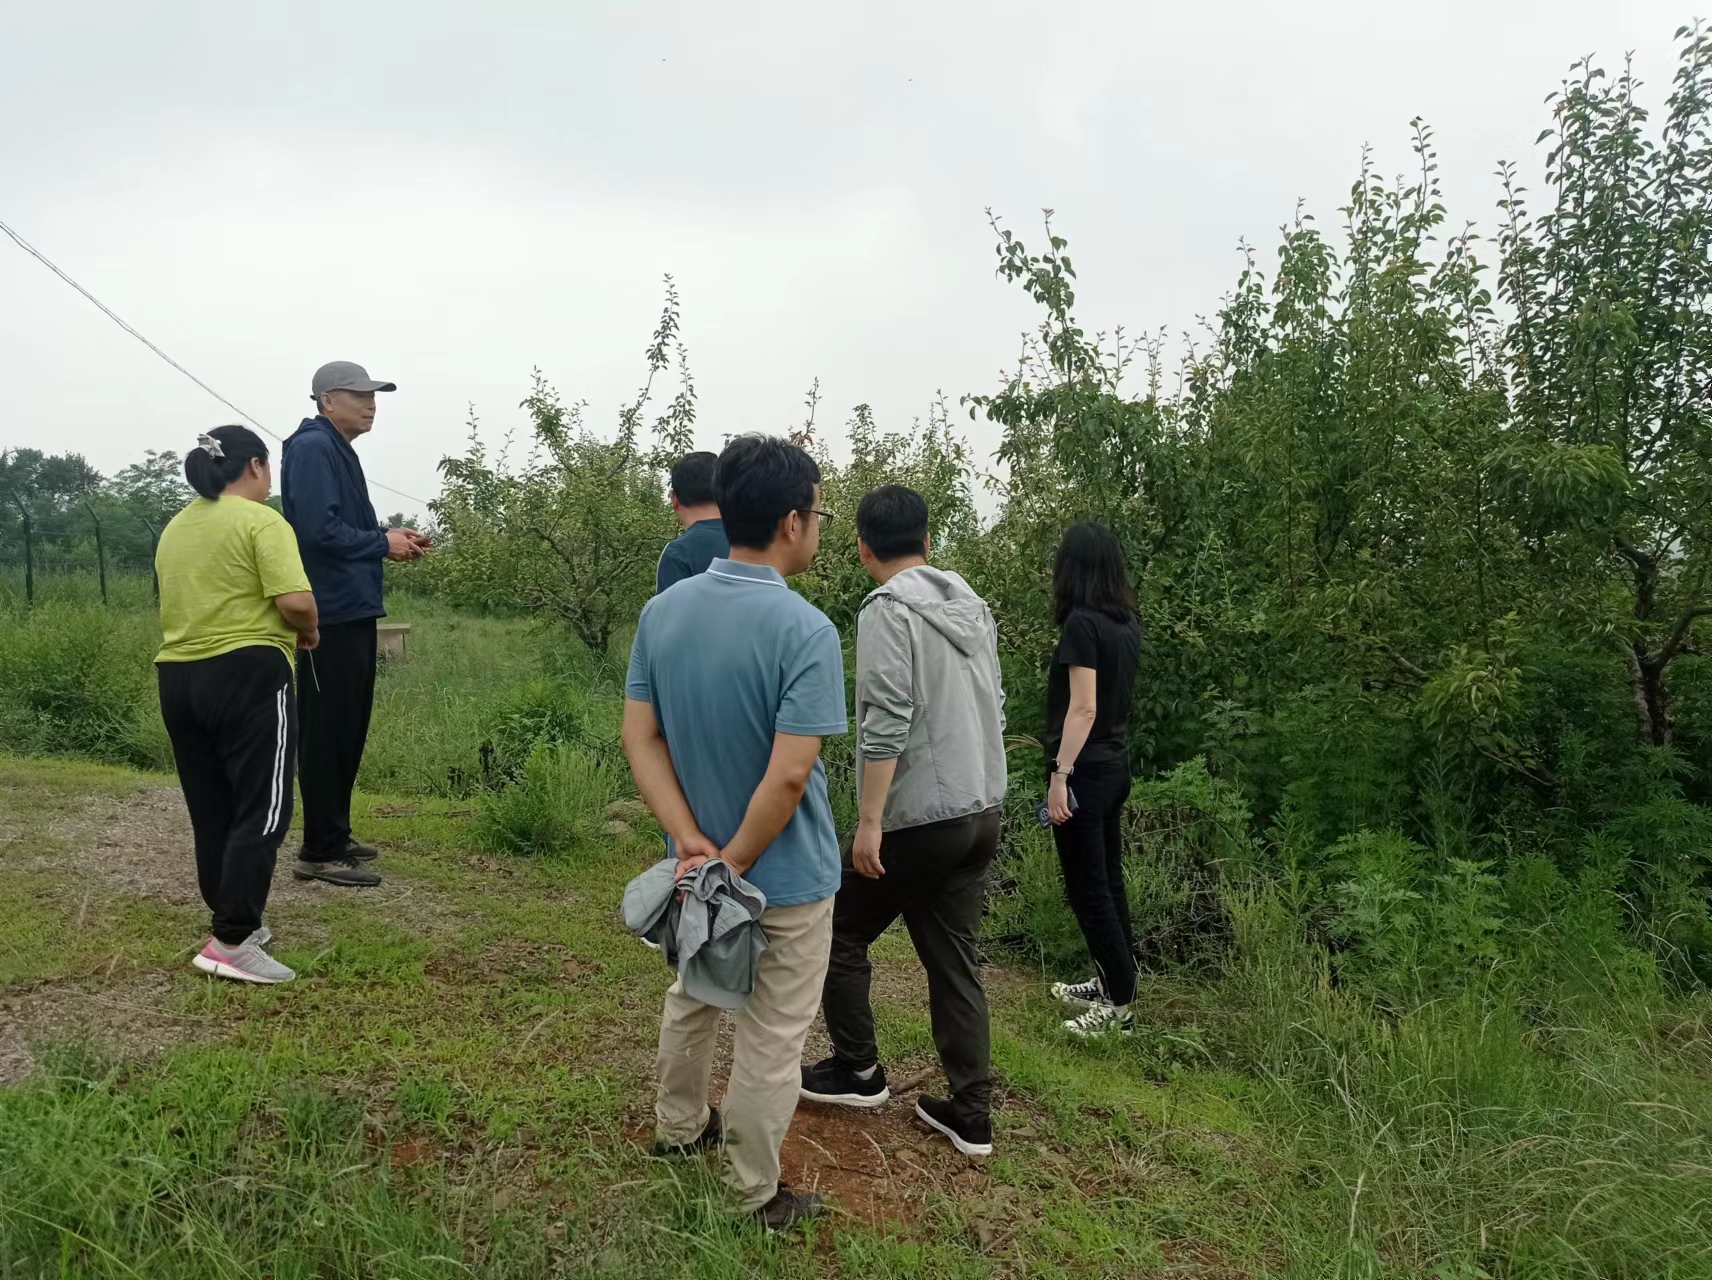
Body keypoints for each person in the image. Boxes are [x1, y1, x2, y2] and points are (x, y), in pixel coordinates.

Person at [622, 434, 845, 1231]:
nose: (816, 528)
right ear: (791, 521)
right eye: (818, 514)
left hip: (696, 868)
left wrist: (692, 845)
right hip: (784, 875)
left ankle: (679, 1127)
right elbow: (788, 777)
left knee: (694, 993)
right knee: (773, 1035)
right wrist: (736, 862)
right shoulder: (806, 630)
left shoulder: (664, 612)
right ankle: (752, 1190)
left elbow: (641, 737)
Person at [799, 485, 1008, 1158]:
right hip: (982, 808)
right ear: (928, 541)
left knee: (837, 924)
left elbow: (885, 717)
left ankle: (857, 1070)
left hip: (922, 817)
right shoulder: (971, 605)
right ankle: (970, 1113)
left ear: (863, 547)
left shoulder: (887, 609)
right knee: (955, 961)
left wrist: (870, 821)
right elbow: (996, 704)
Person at [155, 425, 319, 985]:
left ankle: (234, 922)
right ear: (254, 466)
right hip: (248, 672)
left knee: (212, 810)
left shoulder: (177, 525)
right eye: (268, 468)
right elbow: (296, 602)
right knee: (264, 807)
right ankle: (231, 940)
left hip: (178, 675)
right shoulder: (261, 520)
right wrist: (310, 631)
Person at [281, 361, 426, 888]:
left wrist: (392, 537)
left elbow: (346, 527)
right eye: (359, 395)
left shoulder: (337, 449)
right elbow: (317, 532)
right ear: (327, 400)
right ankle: (318, 851)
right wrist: (380, 543)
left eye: (374, 395)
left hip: (353, 610)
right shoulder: (312, 448)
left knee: (347, 727)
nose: (371, 404)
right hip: (329, 616)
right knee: (326, 731)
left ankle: (335, 835)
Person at [1042, 521, 1142, 1037]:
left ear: (1071, 568)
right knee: (1108, 884)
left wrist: (1060, 775)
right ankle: (1113, 984)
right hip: (1114, 766)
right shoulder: (1125, 624)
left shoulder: (1082, 625)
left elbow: (1083, 708)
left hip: (1084, 771)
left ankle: (1118, 1009)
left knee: (1089, 892)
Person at [655, 451, 729, 593]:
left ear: (673, 498)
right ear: (725, 493)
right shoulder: (751, 543)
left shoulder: (676, 553)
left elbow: (670, 606)